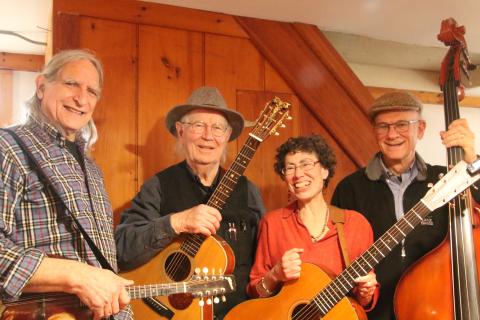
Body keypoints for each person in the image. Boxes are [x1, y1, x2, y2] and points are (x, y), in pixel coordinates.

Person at [0, 50, 132, 319]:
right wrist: (76, 277)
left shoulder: (91, 167)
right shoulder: (7, 147)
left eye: (92, 91)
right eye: (71, 83)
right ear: (41, 86)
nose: (82, 98)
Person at [115, 86, 265, 319]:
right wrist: (177, 222)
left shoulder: (248, 192)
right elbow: (121, 249)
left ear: (227, 137)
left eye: (217, 128)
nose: (208, 135)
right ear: (181, 131)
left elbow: (264, 264)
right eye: (198, 125)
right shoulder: (157, 187)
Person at [331, 91, 480, 320]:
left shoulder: (446, 178)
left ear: (420, 129)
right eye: (383, 126)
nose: (392, 134)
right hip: (371, 314)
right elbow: (338, 258)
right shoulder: (349, 188)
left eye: (402, 124)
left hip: (434, 311)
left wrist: (472, 160)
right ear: (374, 132)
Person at [247, 135, 378, 313]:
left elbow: (363, 300)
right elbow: (255, 293)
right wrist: (275, 274)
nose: (298, 174)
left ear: (324, 170)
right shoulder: (272, 223)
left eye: (306, 164)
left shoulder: (355, 224)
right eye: (290, 168)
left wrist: (366, 292)